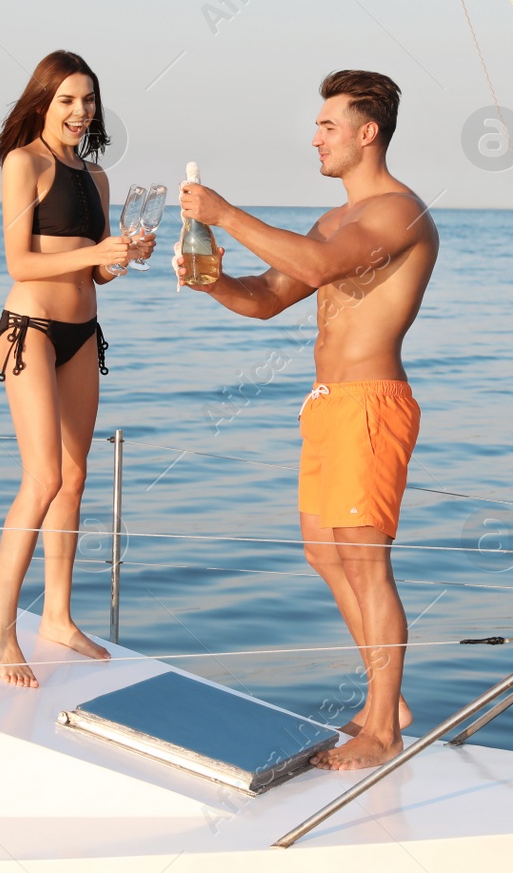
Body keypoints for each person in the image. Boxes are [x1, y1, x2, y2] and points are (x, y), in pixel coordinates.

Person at [177, 69, 438, 770]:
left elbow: (320, 267)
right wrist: (213, 281)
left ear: (367, 132)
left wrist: (227, 214)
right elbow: (267, 296)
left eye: (328, 125)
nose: (315, 136)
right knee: (325, 552)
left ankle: (382, 726)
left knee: (364, 558)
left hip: (372, 405)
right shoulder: (332, 219)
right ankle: (392, 699)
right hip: (326, 405)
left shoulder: (398, 213)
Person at [0, 50, 153, 688]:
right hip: (31, 329)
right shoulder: (22, 163)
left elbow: (97, 271)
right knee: (44, 475)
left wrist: (121, 257)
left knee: (76, 476)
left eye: (89, 101)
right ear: (43, 102)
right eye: (68, 101)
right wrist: (93, 250)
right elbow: (19, 263)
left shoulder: (99, 179)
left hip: (84, 331)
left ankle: (56, 614)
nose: (81, 112)